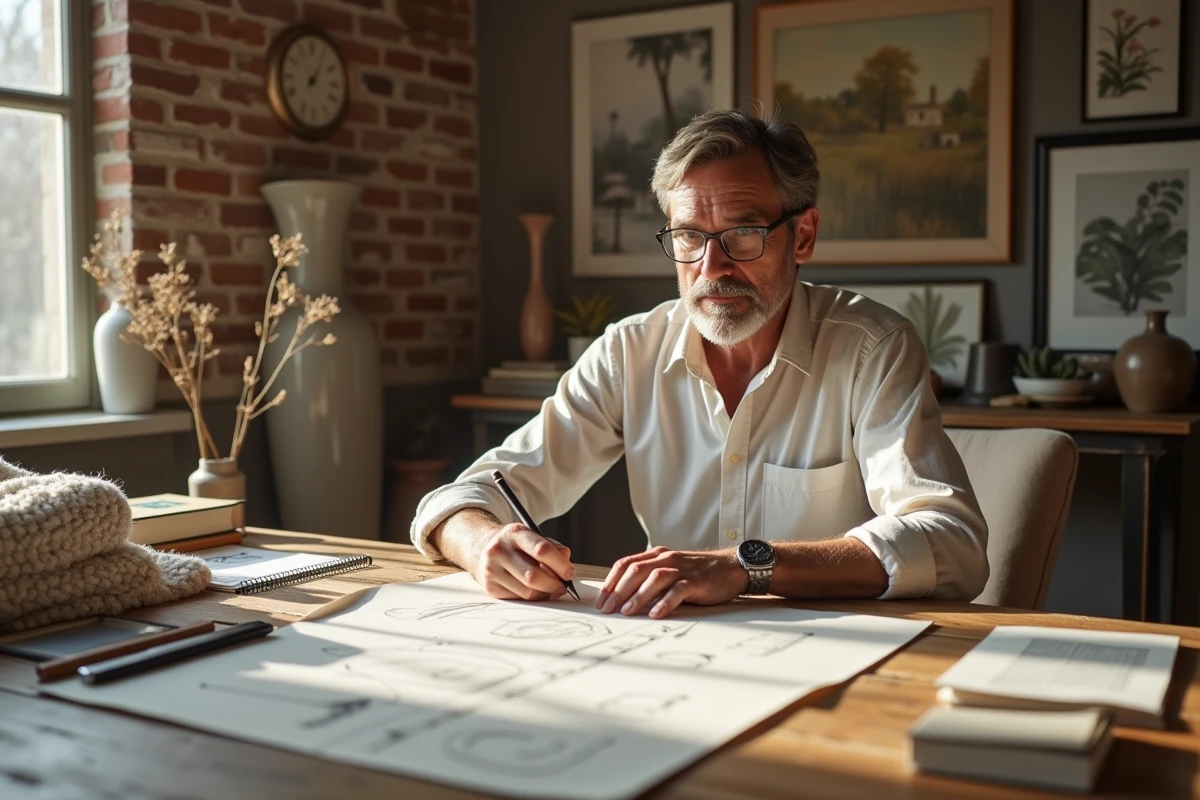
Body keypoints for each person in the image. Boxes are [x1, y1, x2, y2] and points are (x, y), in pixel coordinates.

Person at [411, 107, 988, 620]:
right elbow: (464, 498)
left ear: (803, 235)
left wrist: (747, 566)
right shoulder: (630, 351)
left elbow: (953, 544)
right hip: (676, 659)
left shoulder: (872, 347)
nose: (713, 267)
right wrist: (480, 542)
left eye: (742, 233)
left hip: (836, 659)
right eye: (689, 236)